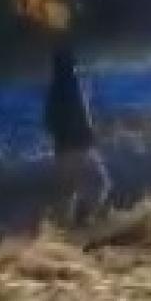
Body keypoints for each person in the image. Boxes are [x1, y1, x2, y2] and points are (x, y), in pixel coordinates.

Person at [43, 30, 111, 227]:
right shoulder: (74, 84)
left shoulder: (54, 89)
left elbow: (48, 122)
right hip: (80, 147)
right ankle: (83, 220)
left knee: (67, 193)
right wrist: (88, 135)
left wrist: (60, 137)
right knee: (101, 183)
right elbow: (82, 115)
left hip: (61, 149)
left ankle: (62, 233)